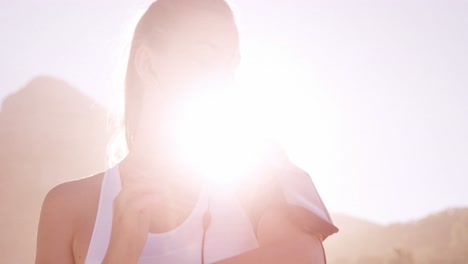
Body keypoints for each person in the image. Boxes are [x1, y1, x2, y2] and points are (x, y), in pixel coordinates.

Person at [35, 0, 338, 263]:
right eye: (206, 56)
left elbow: (302, 258)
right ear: (149, 65)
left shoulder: (260, 165)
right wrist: (118, 254)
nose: (225, 80)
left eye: (231, 64)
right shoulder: (66, 207)